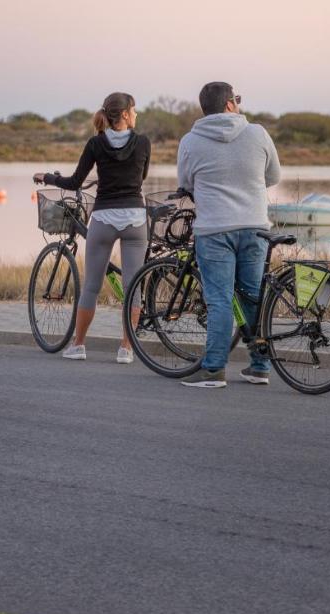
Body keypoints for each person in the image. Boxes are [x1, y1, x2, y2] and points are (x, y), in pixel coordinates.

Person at [176, 81, 282, 388]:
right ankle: (259, 366)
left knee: (219, 300)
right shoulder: (258, 133)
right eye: (236, 99)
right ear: (230, 105)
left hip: (214, 230)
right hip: (255, 227)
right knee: (252, 296)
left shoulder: (190, 141)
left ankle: (213, 370)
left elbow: (185, 183)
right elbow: (273, 177)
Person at [33, 92, 151, 363]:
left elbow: (75, 182)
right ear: (124, 114)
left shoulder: (95, 144)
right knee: (133, 286)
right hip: (135, 219)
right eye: (134, 110)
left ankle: (78, 345)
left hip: (104, 218)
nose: (136, 114)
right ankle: (126, 349)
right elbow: (141, 177)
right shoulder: (143, 142)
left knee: (91, 287)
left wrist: (48, 176)